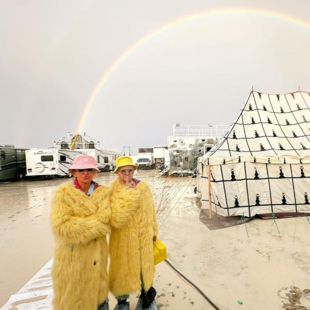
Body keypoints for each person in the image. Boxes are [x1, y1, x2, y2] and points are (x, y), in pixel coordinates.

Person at [50, 154, 110, 310]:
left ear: (95, 172)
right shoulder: (62, 194)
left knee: (99, 296)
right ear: (73, 172)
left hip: (97, 255)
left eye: (89, 169)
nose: (85, 173)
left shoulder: (104, 193)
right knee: (74, 298)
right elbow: (61, 226)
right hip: (72, 256)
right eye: (81, 169)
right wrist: (97, 227)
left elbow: (109, 218)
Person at [109, 156, 158, 310]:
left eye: (130, 170)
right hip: (122, 238)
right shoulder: (112, 190)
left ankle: (146, 298)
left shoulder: (143, 187)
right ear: (117, 172)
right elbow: (114, 216)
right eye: (123, 171)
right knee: (122, 270)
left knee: (145, 268)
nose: (127, 174)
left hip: (144, 235)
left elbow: (151, 211)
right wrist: (128, 195)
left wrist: (154, 230)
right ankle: (122, 302)